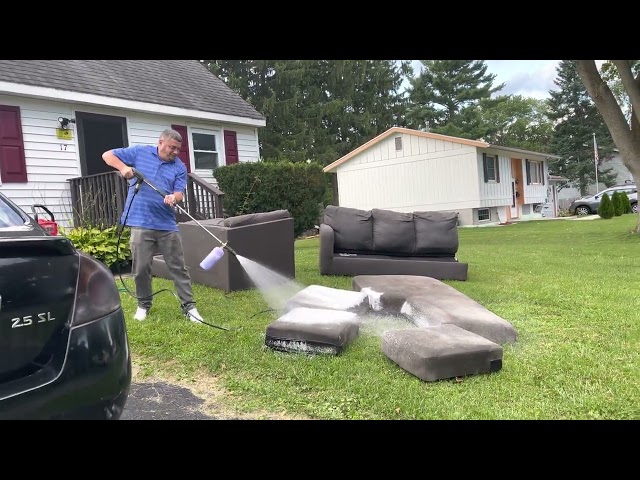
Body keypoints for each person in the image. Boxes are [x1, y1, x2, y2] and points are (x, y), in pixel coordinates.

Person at [102, 128, 204, 324]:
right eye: (172, 148)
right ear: (161, 142)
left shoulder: (179, 167)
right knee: (140, 268)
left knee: (178, 267)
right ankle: (143, 305)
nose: (175, 152)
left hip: (166, 224)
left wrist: (173, 197)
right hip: (140, 221)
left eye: (178, 149)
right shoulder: (140, 152)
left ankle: (189, 307)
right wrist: (124, 169)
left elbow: (179, 193)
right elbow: (107, 155)